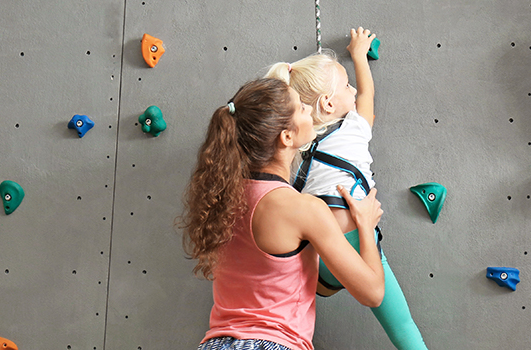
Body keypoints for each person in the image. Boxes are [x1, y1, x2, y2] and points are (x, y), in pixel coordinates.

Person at [178, 77, 387, 350]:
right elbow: (373, 292)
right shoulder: (303, 208)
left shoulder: (221, 198)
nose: (310, 111)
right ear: (286, 137)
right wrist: (365, 225)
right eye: (301, 107)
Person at [265, 27, 428, 350]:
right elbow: (367, 98)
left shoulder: (294, 147)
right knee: (403, 327)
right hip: (355, 244)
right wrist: (358, 56)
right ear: (328, 103)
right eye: (345, 85)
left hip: (319, 260)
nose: (352, 90)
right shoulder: (353, 128)